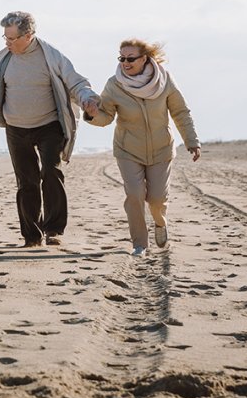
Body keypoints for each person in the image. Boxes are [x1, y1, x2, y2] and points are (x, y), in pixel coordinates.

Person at [0, 11, 100, 247]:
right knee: (26, 181)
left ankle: (53, 229)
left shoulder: (51, 56)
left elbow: (77, 83)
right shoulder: (2, 58)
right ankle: (31, 236)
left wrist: (88, 99)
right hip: (16, 128)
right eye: (5, 38)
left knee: (51, 173)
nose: (7, 43)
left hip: (49, 125)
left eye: (12, 39)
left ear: (28, 35)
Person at [84, 39, 200, 256]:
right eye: (121, 58)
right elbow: (106, 117)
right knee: (135, 195)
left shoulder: (164, 80)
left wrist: (192, 141)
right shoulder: (114, 84)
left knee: (156, 199)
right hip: (128, 149)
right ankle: (140, 244)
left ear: (144, 58)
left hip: (161, 148)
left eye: (130, 58)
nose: (125, 63)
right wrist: (92, 114)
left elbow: (180, 112)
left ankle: (160, 222)